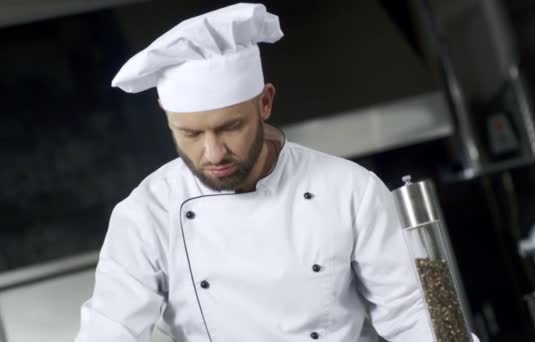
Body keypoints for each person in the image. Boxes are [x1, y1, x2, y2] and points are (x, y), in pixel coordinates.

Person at [76, 3, 473, 342]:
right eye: (191, 134)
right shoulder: (148, 214)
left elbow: (413, 313)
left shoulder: (349, 190)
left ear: (265, 103)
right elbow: (110, 330)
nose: (213, 152)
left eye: (231, 127)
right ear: (168, 120)